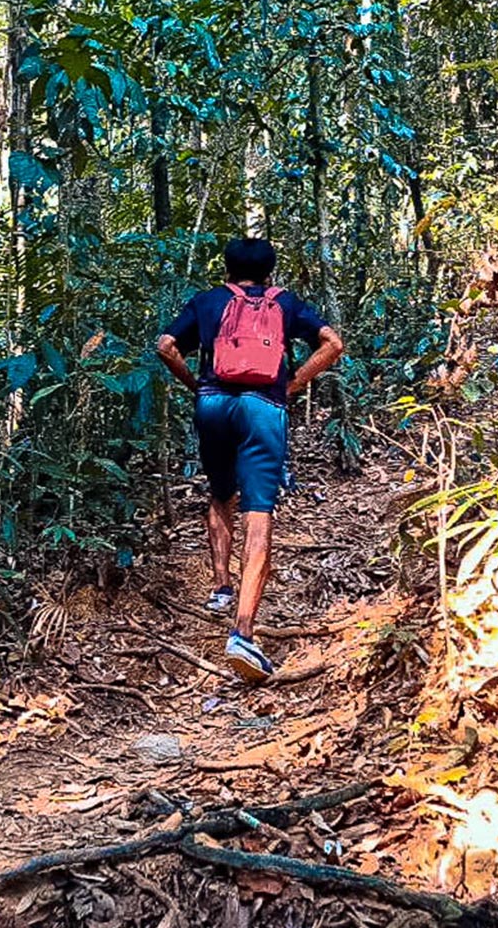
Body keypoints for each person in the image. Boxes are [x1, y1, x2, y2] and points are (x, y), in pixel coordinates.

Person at [156, 238, 345, 681]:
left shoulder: (207, 301)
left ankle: (221, 585)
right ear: (270, 273)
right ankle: (242, 632)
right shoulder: (286, 303)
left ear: (226, 270)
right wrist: (292, 383)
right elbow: (333, 344)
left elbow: (166, 346)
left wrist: (195, 386)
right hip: (265, 407)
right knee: (258, 514)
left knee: (220, 492)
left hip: (213, 406)